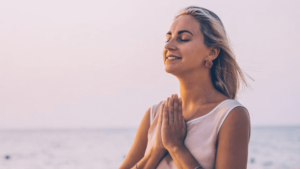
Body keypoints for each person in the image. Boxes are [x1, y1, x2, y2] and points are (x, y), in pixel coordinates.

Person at [119, 6, 250, 169]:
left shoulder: (230, 115)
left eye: (183, 38)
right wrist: (156, 151)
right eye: (168, 38)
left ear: (212, 53)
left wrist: (176, 147)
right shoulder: (155, 115)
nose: (168, 46)